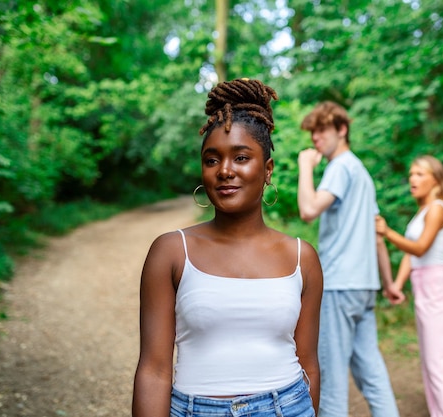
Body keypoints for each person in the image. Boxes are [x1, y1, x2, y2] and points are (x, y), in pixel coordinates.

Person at [132, 78, 324, 417]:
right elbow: (154, 369)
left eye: (241, 157)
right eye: (212, 160)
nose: (225, 171)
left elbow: (308, 362)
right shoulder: (172, 252)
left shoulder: (301, 258)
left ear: (267, 170)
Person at [297, 101, 400, 417]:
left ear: (342, 130)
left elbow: (309, 209)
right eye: (313, 133)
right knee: (372, 374)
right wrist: (388, 284)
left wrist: (305, 167)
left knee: (330, 383)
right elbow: (377, 235)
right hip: (364, 288)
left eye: (322, 130)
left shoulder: (339, 167)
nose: (315, 139)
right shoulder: (362, 173)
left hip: (340, 287)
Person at [375, 155, 443, 417]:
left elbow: (420, 247)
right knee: (431, 365)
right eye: (411, 174)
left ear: (436, 180)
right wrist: (397, 284)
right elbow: (412, 255)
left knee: (442, 366)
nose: (412, 179)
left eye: (419, 174)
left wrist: (387, 232)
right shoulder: (424, 210)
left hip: (440, 292)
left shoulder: (438, 208)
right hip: (425, 290)